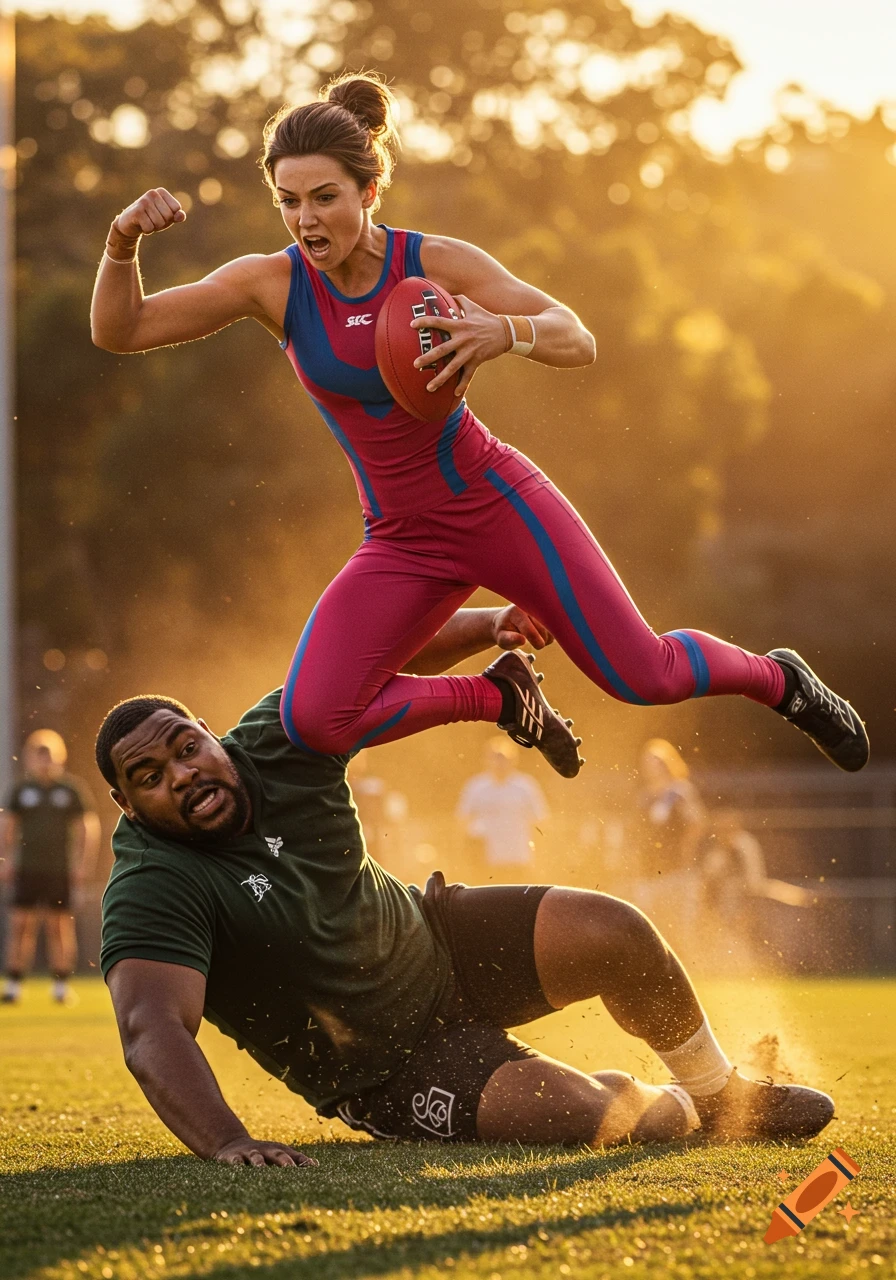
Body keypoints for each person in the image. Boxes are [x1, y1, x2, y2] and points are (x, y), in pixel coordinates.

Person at [89, 71, 868, 777]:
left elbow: (577, 335)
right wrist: (122, 241)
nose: (305, 219)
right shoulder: (270, 285)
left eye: (324, 197)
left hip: (497, 501)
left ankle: (782, 680)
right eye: (289, 201)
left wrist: (506, 332)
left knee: (645, 676)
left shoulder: (437, 262)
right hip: (400, 535)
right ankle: (500, 697)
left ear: (368, 192)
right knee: (317, 718)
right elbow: (120, 332)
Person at [95, 606, 834, 1167]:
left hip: (435, 939)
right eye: (151, 778)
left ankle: (722, 1095)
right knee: (588, 1118)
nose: (184, 774)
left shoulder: (278, 739)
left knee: (615, 930)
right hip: (383, 1066)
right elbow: (152, 1029)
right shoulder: (152, 884)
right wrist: (227, 1140)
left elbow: (369, 653)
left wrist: (491, 622)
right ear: (129, 808)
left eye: (187, 747)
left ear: (209, 733)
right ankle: (668, 1103)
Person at [1, 730, 100, 1005]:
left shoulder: (70, 790)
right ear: (30, 758)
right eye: (39, 755)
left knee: (59, 927)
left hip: (59, 870)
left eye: (50, 755)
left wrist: (81, 865)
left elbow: (86, 828)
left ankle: (60, 986)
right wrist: (6, 860)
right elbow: (7, 827)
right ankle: (13, 985)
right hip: (27, 869)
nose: (45, 761)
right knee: (21, 926)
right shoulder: (21, 789)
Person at [632, 739, 708, 947]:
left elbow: (696, 824)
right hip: (649, 871)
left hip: (678, 871)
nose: (650, 768)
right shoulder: (645, 797)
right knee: (651, 926)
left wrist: (687, 853)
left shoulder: (680, 792)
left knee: (680, 927)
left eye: (655, 762)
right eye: (646, 763)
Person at [457, 737, 548, 883]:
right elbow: (463, 819)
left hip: (518, 856)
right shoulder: (475, 787)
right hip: (485, 859)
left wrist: (539, 854)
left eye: (503, 758)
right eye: (495, 758)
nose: (499, 764)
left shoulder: (526, 786)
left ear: (513, 760)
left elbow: (540, 821)